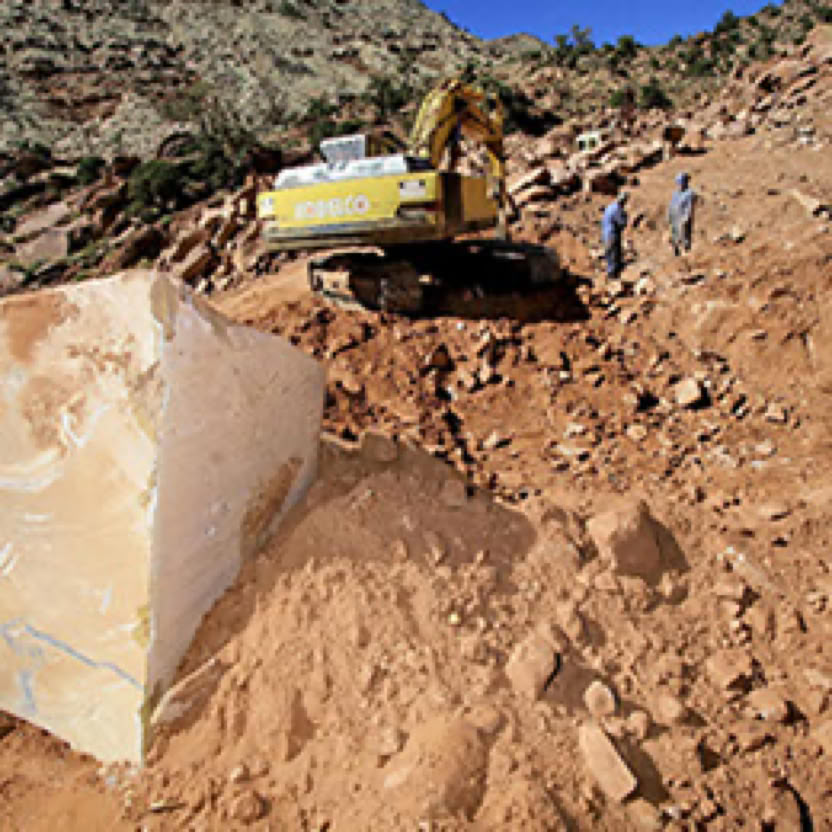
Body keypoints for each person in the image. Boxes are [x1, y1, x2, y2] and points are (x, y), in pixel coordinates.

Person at [601, 191, 629, 278]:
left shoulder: (609, 207)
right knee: (614, 253)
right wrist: (625, 217)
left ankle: (610, 272)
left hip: (605, 234)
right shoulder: (617, 209)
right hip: (612, 234)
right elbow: (621, 223)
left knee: (609, 253)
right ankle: (613, 275)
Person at [668, 172, 697, 255]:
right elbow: (672, 205)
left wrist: (686, 217)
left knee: (685, 236)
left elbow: (689, 207)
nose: (680, 185)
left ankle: (686, 252)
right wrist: (669, 216)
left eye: (681, 182)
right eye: (678, 183)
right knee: (674, 236)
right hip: (675, 218)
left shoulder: (689, 193)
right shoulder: (676, 193)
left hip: (683, 218)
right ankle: (676, 252)